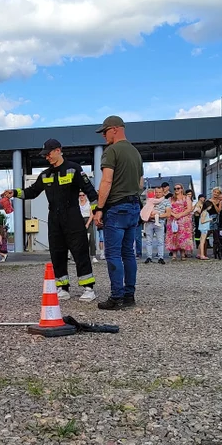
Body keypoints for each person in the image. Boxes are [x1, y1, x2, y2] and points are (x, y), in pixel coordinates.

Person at [1, 138, 98, 301]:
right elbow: (31, 192)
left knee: (80, 252)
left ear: (58, 150)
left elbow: (90, 191)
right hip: (54, 218)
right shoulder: (45, 174)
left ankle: (88, 288)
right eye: (45, 155)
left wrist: (98, 211)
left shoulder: (74, 169)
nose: (47, 157)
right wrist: (15, 193)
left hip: (73, 216)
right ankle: (62, 288)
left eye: (49, 153)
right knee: (57, 254)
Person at [92, 115, 143, 310]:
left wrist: (99, 208)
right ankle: (129, 295)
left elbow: (106, 181)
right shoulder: (135, 152)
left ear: (114, 129)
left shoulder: (112, 151)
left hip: (116, 208)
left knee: (113, 253)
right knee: (128, 253)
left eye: (105, 131)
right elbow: (140, 183)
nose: (103, 136)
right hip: (133, 207)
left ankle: (116, 297)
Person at [141, 184, 169, 264]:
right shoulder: (150, 200)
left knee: (160, 241)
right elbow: (145, 210)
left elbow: (168, 214)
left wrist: (157, 215)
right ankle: (149, 257)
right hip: (149, 222)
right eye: (156, 192)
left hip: (160, 223)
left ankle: (160, 257)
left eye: (159, 192)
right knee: (148, 241)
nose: (158, 194)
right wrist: (149, 216)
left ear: (163, 192)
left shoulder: (166, 201)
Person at [165, 185, 194, 261]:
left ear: (182, 189)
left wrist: (180, 215)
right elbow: (167, 208)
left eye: (178, 188)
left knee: (183, 236)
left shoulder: (186, 198)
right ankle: (174, 254)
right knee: (173, 236)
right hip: (173, 219)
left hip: (184, 220)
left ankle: (183, 253)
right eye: (175, 189)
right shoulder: (170, 199)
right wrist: (174, 215)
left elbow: (189, 209)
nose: (176, 190)